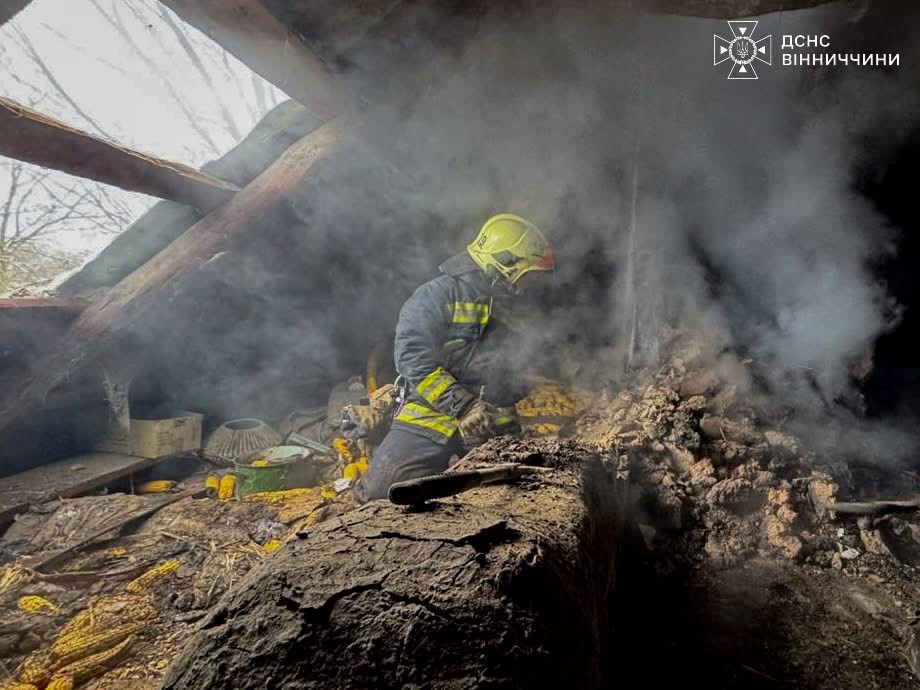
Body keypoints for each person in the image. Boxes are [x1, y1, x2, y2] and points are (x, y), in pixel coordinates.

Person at [354, 213, 555, 502]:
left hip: (491, 418)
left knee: (512, 496)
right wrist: (463, 406)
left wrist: (506, 391)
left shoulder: (512, 306)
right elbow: (412, 359)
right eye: (526, 275)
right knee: (383, 493)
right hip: (429, 414)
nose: (528, 286)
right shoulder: (434, 296)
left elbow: (517, 365)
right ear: (504, 263)